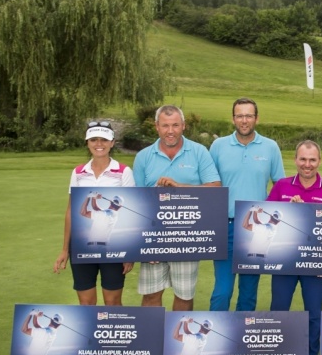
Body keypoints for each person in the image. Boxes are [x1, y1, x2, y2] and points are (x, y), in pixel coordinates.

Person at [133, 105, 221, 310]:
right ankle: (152, 341)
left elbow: (215, 188)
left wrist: (180, 187)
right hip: (153, 237)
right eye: (165, 125)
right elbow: (135, 201)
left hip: (187, 236)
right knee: (151, 294)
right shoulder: (143, 156)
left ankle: (177, 342)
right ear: (156, 127)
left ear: (183, 126)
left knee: (184, 295)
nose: (170, 131)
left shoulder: (199, 152)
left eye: (175, 125)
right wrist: (144, 245)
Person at [267, 140, 322, 355]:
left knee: (314, 311)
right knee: (279, 308)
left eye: (312, 160)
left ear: (319, 161)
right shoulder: (281, 186)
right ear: (295, 160)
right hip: (284, 260)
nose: (307, 165)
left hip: (314, 263)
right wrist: (288, 210)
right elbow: (266, 221)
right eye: (302, 159)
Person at [208, 97, 285, 311]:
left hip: (257, 231)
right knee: (222, 291)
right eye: (240, 115)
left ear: (256, 118)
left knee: (249, 293)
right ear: (233, 119)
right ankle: (216, 342)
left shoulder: (270, 147)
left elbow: (280, 186)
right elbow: (209, 185)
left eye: (248, 116)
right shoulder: (218, 146)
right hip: (225, 226)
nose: (244, 120)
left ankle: (240, 342)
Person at [53, 121, 135, 305]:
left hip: (114, 247)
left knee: (112, 302)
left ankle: (113, 333)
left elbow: (129, 215)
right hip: (82, 246)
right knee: (86, 303)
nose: (99, 144)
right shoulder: (79, 172)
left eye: (104, 140)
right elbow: (72, 211)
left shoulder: (123, 172)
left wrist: (130, 253)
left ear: (112, 143)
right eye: (94, 139)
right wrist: (65, 249)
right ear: (87, 142)